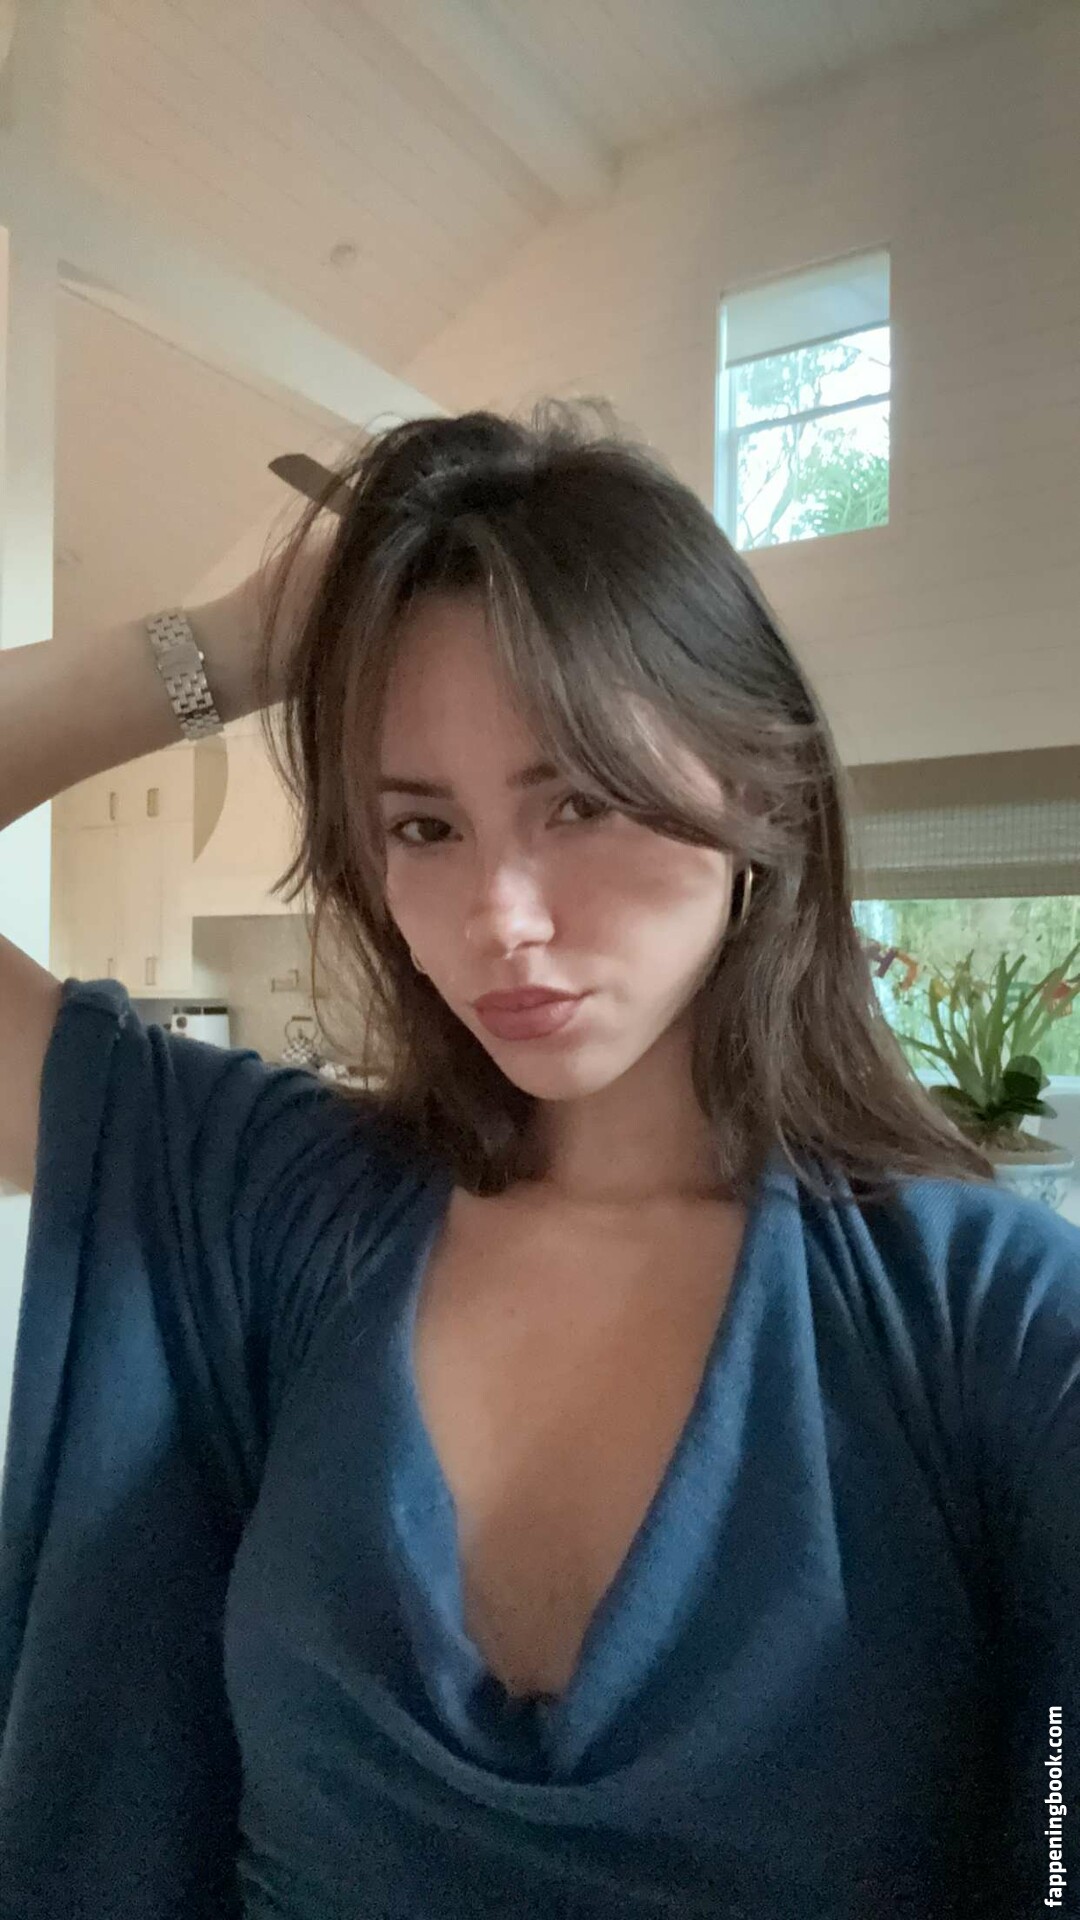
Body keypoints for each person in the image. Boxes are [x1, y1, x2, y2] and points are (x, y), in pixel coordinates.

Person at [0, 401, 1076, 1920]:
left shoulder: (988, 1319)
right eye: (424, 828)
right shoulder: (278, 1204)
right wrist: (247, 644)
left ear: (756, 796)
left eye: (577, 799)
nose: (501, 915)